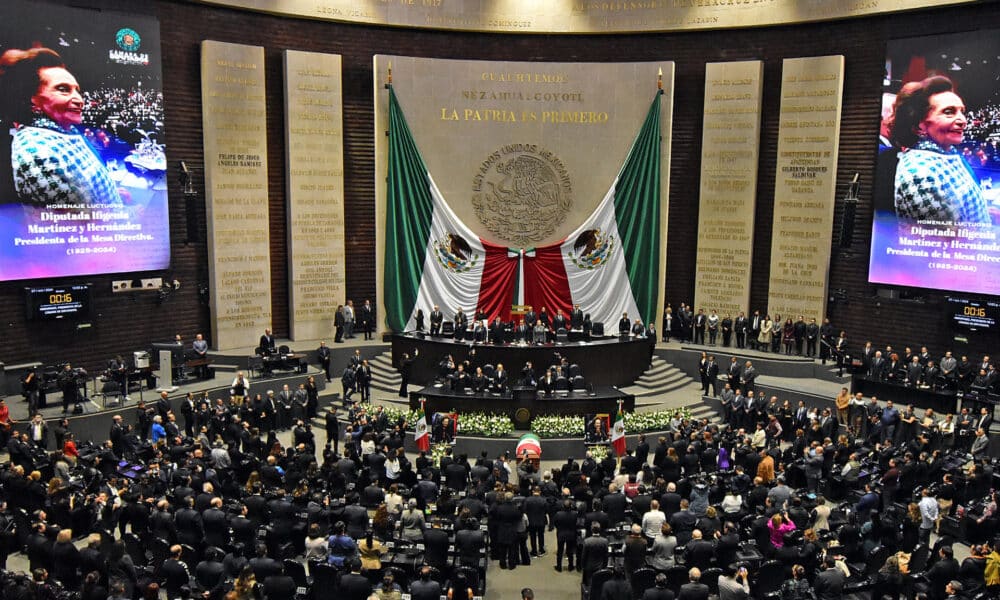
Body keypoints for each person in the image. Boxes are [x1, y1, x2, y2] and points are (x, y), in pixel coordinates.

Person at [0, 47, 124, 206]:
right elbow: (84, 224)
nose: (79, 99)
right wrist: (136, 215)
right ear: (32, 98)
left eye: (77, 90)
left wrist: (111, 191)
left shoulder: (63, 129)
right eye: (63, 89)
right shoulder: (38, 154)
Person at [887, 75, 990, 224]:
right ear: (919, 124)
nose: (963, 121)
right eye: (949, 112)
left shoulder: (946, 154)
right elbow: (950, 242)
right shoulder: (919, 174)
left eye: (962, 111)